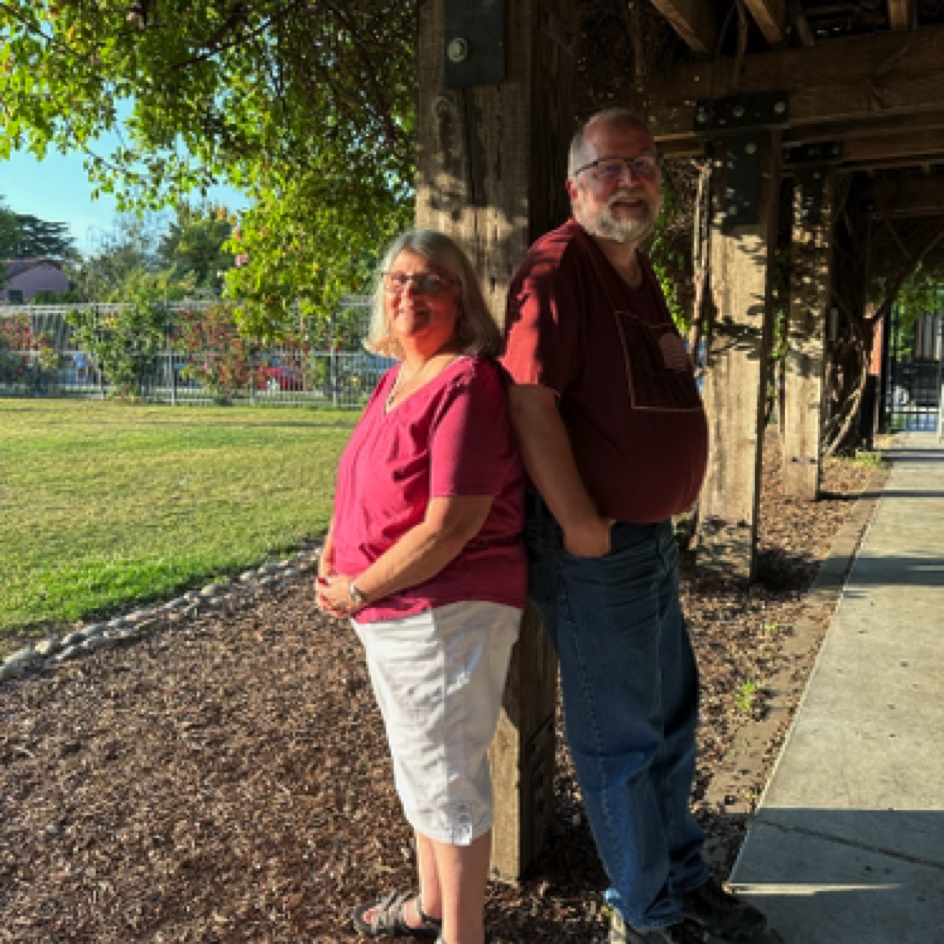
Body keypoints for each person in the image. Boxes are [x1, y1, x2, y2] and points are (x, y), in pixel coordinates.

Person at [501, 109, 769, 944]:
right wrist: (580, 520)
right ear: (576, 185)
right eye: (610, 168)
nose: (629, 180)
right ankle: (646, 918)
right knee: (622, 739)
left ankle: (682, 880)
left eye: (644, 166)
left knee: (672, 720)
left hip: (647, 543)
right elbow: (527, 398)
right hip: (598, 547)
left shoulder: (636, 270)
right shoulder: (557, 266)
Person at [316, 229, 526, 944]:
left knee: (447, 780)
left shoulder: (468, 381)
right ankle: (432, 906)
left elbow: (451, 525)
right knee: (422, 771)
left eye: (429, 280)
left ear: (460, 295)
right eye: (398, 279)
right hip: (394, 609)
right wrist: (333, 554)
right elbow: (360, 486)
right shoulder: (396, 378)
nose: (409, 292)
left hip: (446, 610)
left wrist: (357, 588)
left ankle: (461, 935)